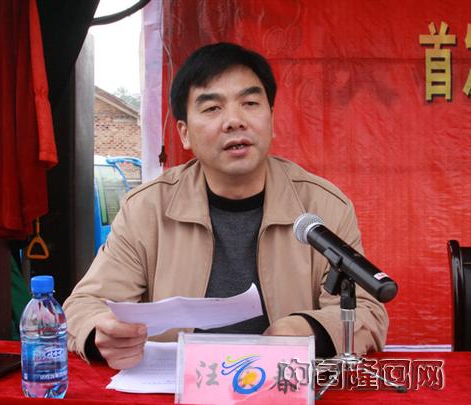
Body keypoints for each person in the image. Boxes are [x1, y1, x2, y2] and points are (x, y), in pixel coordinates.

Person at [63, 42, 388, 370]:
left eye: (250, 103)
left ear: (272, 119)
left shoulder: (323, 206)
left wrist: (308, 329)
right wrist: (102, 333)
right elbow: (85, 304)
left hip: (284, 383)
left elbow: (366, 310)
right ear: (184, 133)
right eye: (212, 108)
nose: (234, 121)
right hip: (177, 387)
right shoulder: (147, 209)